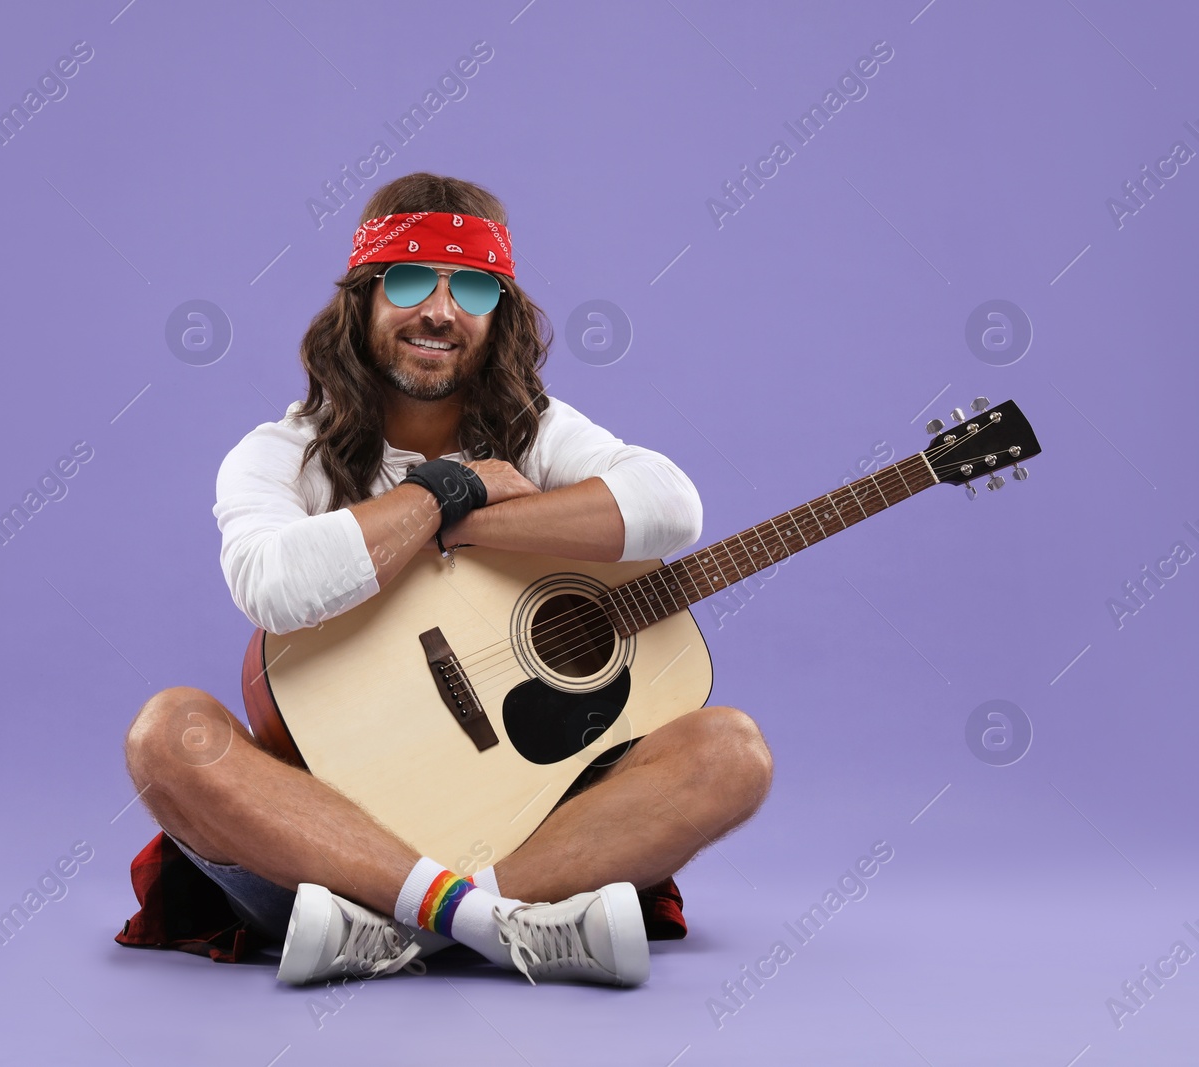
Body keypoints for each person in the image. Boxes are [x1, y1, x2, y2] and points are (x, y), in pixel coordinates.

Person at [122, 172, 773, 988]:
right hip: (317, 846)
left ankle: (411, 928)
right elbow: (272, 584)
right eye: (407, 281)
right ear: (360, 301)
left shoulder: (538, 432)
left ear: (497, 315)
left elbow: (670, 505)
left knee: (731, 750)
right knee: (168, 732)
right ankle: (494, 925)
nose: (439, 310)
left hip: (512, 828)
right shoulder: (280, 453)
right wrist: (443, 489)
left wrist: (462, 527)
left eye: (470, 285)